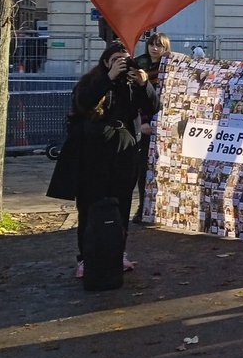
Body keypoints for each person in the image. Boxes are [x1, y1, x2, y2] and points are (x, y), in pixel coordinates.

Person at [47, 42, 160, 278]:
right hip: (92, 154)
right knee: (89, 205)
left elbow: (154, 106)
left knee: (122, 204)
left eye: (125, 59)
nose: (122, 63)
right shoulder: (93, 81)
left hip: (124, 152)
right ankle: (86, 257)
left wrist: (144, 84)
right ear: (106, 61)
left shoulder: (131, 84)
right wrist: (109, 77)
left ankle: (117, 253)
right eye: (117, 59)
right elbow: (84, 102)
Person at [131, 32, 171, 223]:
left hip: (166, 124)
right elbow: (138, 97)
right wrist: (144, 120)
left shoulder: (170, 67)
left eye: (159, 45)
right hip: (147, 123)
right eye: (152, 44)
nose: (155, 48)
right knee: (143, 168)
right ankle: (143, 208)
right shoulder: (140, 65)